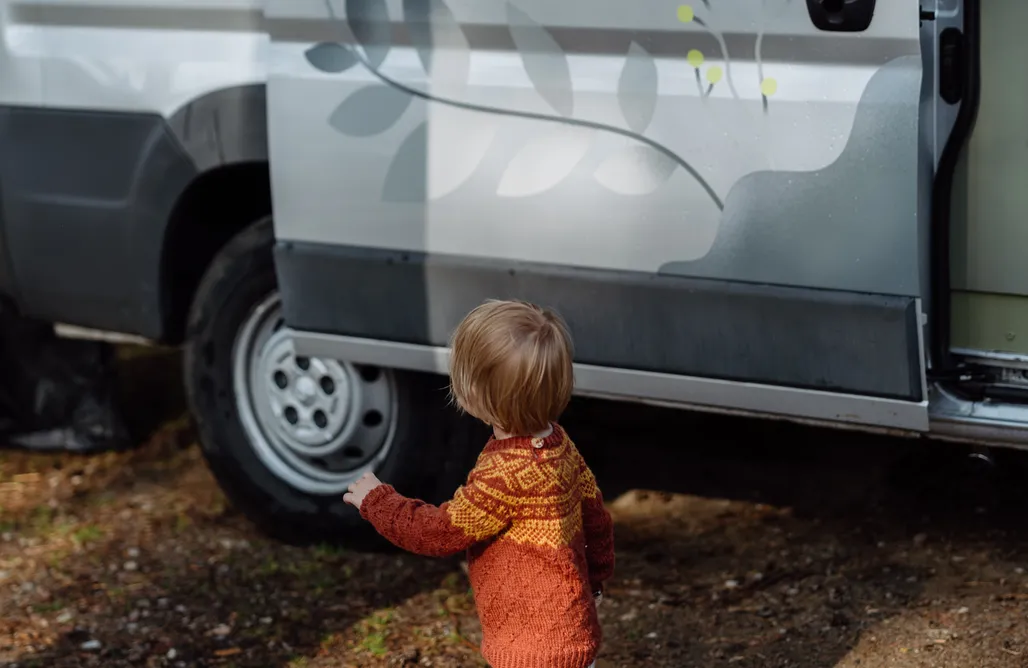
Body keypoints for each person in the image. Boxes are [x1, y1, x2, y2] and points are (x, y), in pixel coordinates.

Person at [343, 299, 615, 668]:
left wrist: (376, 501)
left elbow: (439, 532)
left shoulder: (505, 475)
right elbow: (596, 520)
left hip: (530, 650)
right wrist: (595, 582)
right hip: (571, 635)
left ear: (476, 395)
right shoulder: (559, 445)